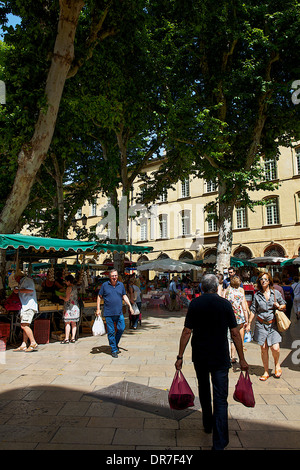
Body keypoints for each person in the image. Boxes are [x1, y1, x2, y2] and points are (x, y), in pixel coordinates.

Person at [175, 274, 248, 451]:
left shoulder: (195, 304)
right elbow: (235, 333)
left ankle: (207, 425)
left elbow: (187, 331)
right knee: (221, 399)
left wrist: (180, 356)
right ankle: (219, 442)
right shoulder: (225, 304)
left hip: (200, 356)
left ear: (202, 287)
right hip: (220, 357)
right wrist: (242, 358)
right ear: (217, 287)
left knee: (204, 391)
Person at [248, 272, 286, 381]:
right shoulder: (257, 295)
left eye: (265, 279)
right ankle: (265, 371)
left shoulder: (276, 293)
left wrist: (279, 306)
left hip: (273, 324)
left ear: (269, 281)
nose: (263, 281)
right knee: (264, 348)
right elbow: (253, 310)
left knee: (276, 348)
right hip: (260, 324)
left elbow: (283, 304)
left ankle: (277, 364)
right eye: (261, 279)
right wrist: (249, 323)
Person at [96, 269, 134, 358]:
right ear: (109, 276)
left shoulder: (121, 285)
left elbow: (124, 296)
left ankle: (115, 343)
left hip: (119, 312)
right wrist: (98, 309)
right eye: (113, 276)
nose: (114, 277)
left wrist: (130, 306)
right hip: (108, 313)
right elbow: (99, 296)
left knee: (121, 328)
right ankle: (113, 349)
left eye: (116, 275)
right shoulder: (105, 285)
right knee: (111, 331)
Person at [224, 275, 249, 363]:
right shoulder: (240, 294)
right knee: (235, 336)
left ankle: (227, 355)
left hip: (227, 316)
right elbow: (244, 308)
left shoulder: (226, 292)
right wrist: (247, 320)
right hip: (238, 317)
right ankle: (233, 356)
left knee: (227, 337)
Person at [13, 271, 39, 352]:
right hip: (25, 306)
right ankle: (24, 344)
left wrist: (19, 291)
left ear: (18, 276)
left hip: (29, 306)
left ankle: (33, 342)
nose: (15, 279)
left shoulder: (27, 280)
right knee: (25, 325)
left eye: (15, 278)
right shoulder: (22, 282)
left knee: (24, 325)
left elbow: (30, 290)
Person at [58, 274, 80, 343]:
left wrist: (61, 297)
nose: (65, 282)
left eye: (66, 281)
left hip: (69, 308)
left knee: (67, 323)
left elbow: (67, 299)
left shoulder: (69, 288)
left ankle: (67, 338)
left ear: (69, 281)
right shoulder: (75, 287)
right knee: (74, 323)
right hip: (75, 307)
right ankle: (73, 338)